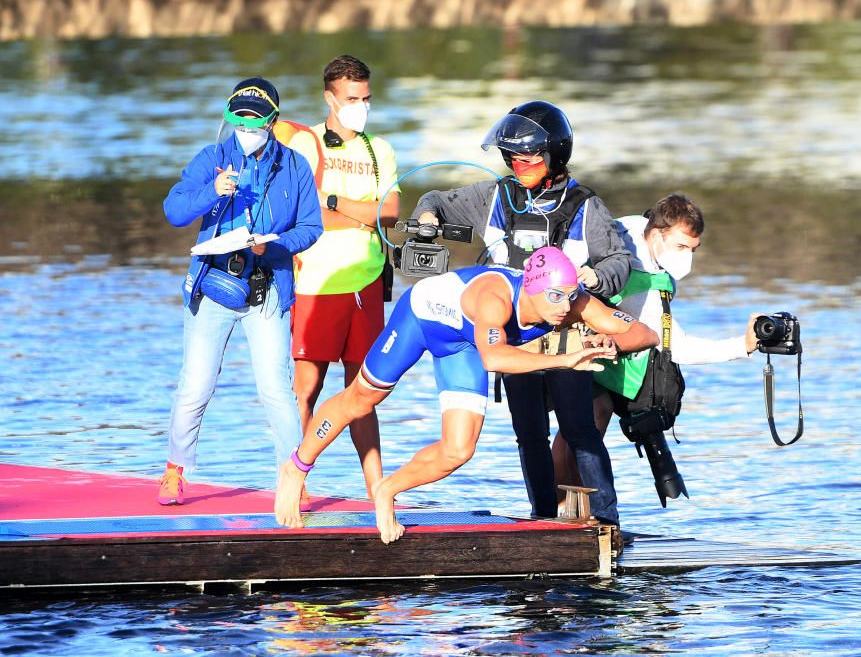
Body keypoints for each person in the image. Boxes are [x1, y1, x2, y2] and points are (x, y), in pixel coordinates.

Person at [273, 247, 658, 543]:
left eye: (571, 296)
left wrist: (609, 340)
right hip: (423, 319)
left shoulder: (573, 303)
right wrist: (568, 359)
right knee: (363, 398)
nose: (564, 307)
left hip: (465, 345)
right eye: (555, 297)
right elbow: (493, 358)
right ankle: (297, 467)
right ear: (532, 288)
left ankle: (387, 489)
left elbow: (645, 333)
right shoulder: (495, 298)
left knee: (459, 450)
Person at [410, 101, 631, 527]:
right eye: (512, 157)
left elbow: (619, 261)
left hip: (566, 328)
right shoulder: (495, 195)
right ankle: (542, 519)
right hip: (512, 331)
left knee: (578, 429)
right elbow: (435, 198)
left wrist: (595, 277)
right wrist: (427, 216)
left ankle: (607, 521)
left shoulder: (586, 206)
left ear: (555, 156)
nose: (519, 164)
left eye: (529, 158)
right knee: (529, 433)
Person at [159, 77, 323, 505]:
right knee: (195, 384)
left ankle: (293, 478)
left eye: (255, 123)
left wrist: (276, 244)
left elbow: (311, 226)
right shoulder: (211, 158)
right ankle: (176, 470)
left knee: (276, 388)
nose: (247, 130)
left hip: (266, 290)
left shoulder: (293, 166)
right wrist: (210, 192)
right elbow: (174, 210)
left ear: (272, 122)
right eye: (240, 121)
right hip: (212, 286)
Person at [552, 194, 760, 504]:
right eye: (680, 247)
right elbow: (679, 348)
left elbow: (671, 343)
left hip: (604, 349)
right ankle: (563, 513)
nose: (687, 257)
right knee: (587, 425)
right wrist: (742, 346)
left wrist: (742, 346)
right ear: (657, 232)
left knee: (591, 423)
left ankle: (572, 513)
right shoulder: (628, 245)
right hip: (565, 337)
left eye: (693, 249)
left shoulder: (643, 245)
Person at [285, 55, 401, 500]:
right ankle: (298, 481)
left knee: (364, 393)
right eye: (352, 99)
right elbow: (304, 214)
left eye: (366, 98)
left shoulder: (379, 149)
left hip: (366, 284)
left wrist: (334, 202)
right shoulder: (305, 145)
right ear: (329, 98)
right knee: (306, 391)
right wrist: (358, 214)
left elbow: (388, 213)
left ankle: (377, 491)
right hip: (315, 283)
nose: (361, 107)